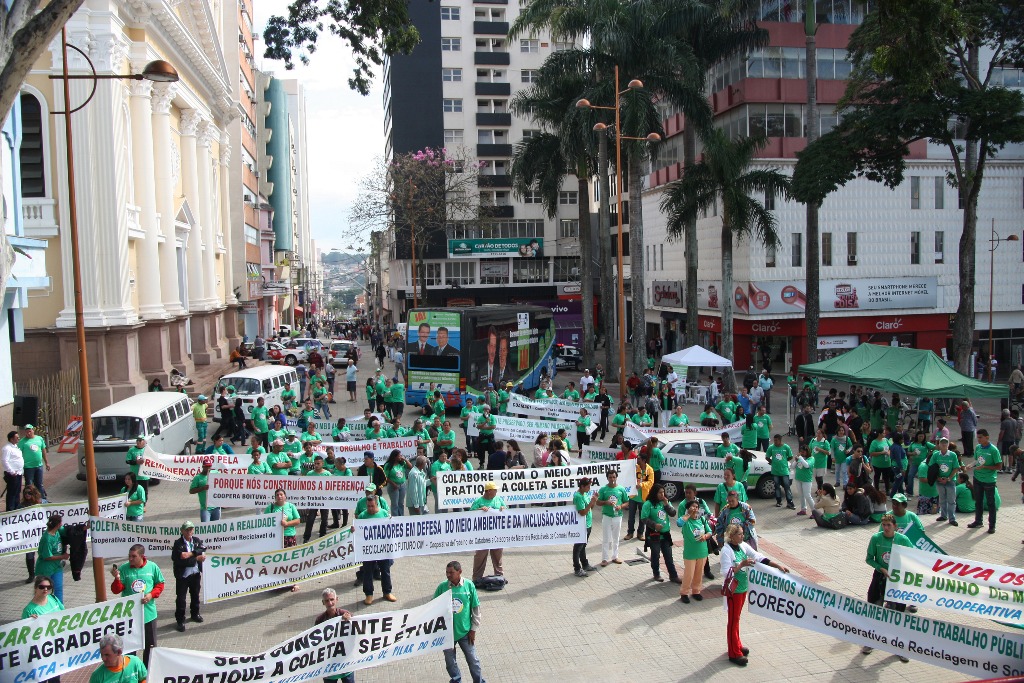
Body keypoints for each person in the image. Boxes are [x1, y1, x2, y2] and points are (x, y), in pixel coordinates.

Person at [720, 522, 790, 666]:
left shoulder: (742, 546)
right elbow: (726, 572)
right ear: (732, 536)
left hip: (743, 588)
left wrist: (777, 566)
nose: (742, 536)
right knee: (733, 621)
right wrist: (741, 565)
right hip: (734, 591)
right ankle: (734, 653)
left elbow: (758, 557)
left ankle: (737, 644)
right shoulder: (726, 551)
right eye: (739, 534)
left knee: (737, 619)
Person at [862, 514, 913, 661]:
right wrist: (880, 568)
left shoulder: (903, 540)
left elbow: (913, 556)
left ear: (895, 527)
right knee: (874, 610)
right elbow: (869, 558)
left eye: (889, 525)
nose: (885, 528)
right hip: (879, 578)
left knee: (898, 614)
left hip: (897, 581)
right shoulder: (876, 538)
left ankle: (899, 646)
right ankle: (870, 641)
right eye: (883, 525)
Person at [110, 544, 165, 667]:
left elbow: (160, 584)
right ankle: (131, 671)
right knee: (130, 647)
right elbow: (116, 590)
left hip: (148, 615)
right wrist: (117, 579)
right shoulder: (124, 569)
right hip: (130, 616)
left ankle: (147, 671)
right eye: (129, 556)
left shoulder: (152, 567)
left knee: (150, 647)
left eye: (133, 556)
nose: (130, 559)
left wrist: (151, 595)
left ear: (141, 556)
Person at [435, 561, 484, 683]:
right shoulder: (442, 587)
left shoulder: (469, 585)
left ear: (460, 572)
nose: (448, 575)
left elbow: (475, 609)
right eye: (447, 572)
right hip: (447, 634)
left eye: (451, 572)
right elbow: (433, 607)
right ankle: (456, 680)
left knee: (473, 661)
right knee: (450, 662)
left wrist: (473, 630)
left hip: (465, 633)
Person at [355, 495, 395, 605]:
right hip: (369, 550)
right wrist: (354, 529)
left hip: (382, 549)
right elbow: (358, 531)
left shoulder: (384, 514)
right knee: (368, 572)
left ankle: (387, 592)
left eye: (372, 506)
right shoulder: (363, 516)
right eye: (368, 506)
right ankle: (369, 594)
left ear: (376, 504)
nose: (370, 509)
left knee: (385, 571)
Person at [640, 484, 680, 584]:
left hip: (665, 534)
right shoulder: (648, 504)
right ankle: (656, 573)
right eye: (660, 493)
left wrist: (667, 504)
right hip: (654, 535)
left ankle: (673, 575)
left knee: (668, 556)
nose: (662, 494)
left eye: (663, 492)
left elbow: (673, 513)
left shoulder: (665, 502)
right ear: (655, 493)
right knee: (655, 555)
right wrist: (654, 525)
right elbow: (644, 518)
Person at [171, 521, 206, 632]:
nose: (189, 532)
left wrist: (189, 554)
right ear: (182, 531)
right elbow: (179, 560)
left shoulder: (196, 540)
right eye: (187, 530)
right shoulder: (178, 543)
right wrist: (196, 558)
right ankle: (180, 620)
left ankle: (195, 614)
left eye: (191, 529)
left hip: (195, 574)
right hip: (183, 576)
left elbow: (202, 549)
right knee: (181, 599)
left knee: (195, 595)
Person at [677, 499, 713, 603]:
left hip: (702, 551)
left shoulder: (701, 519)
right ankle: (684, 593)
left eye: (697, 507)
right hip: (690, 553)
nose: (695, 509)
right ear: (688, 508)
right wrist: (688, 514)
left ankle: (696, 591)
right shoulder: (685, 520)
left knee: (699, 573)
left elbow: (710, 531)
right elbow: (679, 523)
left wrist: (705, 536)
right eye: (693, 507)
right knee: (689, 574)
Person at [265, 488, 302, 590]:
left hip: (289, 536)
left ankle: (294, 582)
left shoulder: (290, 506)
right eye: (277, 495)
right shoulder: (270, 508)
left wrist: (287, 524)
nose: (279, 496)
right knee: (277, 560)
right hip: (276, 538)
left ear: (285, 496)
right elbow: (265, 522)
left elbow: (298, 520)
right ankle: (277, 581)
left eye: (281, 494)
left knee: (291, 559)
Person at [314, 589, 354, 683]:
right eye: (327, 600)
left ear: (337, 599)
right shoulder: (320, 620)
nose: (330, 603)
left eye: (332, 599)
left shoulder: (345, 614)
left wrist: (350, 621)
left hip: (345, 661)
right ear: (323, 602)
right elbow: (316, 641)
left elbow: (360, 630)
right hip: (329, 663)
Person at [470, 482, 507, 581]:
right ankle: (477, 578)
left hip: (497, 533)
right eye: (495, 490)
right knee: (480, 556)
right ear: (489, 491)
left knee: (497, 556)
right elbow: (470, 514)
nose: (496, 492)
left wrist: (503, 509)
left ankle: (499, 576)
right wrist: (479, 509)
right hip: (483, 534)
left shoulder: (498, 499)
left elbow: (506, 509)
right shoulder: (479, 501)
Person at [968, 429, 1001, 533]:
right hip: (977, 478)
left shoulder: (993, 450)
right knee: (978, 501)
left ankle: (992, 525)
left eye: (980, 437)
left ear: (987, 437)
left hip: (989, 480)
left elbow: (999, 466)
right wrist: (971, 464)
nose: (979, 440)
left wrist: (985, 467)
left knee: (991, 503)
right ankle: (978, 521)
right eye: (977, 437)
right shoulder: (978, 447)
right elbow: (977, 460)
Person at [35, 513, 68, 605]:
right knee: (43, 590)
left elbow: (70, 531)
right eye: (60, 523)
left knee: (58, 588)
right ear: (57, 525)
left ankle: (59, 609)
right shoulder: (47, 539)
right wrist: (63, 556)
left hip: (57, 567)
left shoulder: (58, 531)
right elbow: (47, 556)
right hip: (46, 568)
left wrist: (85, 527)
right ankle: (40, 607)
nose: (61, 525)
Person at [928, 437, 960, 526]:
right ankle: (943, 515)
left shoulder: (953, 455)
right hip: (939, 480)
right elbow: (931, 467)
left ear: (948, 445)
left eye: (946, 443)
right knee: (942, 499)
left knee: (951, 500)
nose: (944, 445)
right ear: (939, 445)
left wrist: (949, 478)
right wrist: (937, 477)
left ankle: (952, 518)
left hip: (950, 481)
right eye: (942, 443)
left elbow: (956, 468)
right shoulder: (936, 455)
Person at [624, 452, 654, 541]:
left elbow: (651, 482)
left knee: (643, 517)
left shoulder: (650, 470)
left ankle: (640, 533)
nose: (637, 460)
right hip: (633, 496)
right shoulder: (635, 467)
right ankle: (630, 533)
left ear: (644, 460)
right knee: (631, 516)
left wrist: (642, 485)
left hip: (643, 498)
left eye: (639, 459)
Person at [571, 477, 598, 577]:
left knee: (583, 546)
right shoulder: (578, 496)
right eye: (587, 487)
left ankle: (585, 564)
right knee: (578, 547)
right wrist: (591, 502)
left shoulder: (585, 494)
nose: (589, 488)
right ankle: (577, 568)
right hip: (581, 526)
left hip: (588, 524)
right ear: (581, 486)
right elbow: (582, 512)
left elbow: (591, 508)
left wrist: (593, 500)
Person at [19, 424, 49, 498]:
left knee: (39, 484)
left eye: (29, 431)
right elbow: (18, 454)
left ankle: (42, 499)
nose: (28, 433)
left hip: (39, 465)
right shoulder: (22, 441)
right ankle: (28, 500)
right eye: (26, 432)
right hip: (28, 467)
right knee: (29, 484)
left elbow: (43, 450)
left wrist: (46, 463)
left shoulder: (39, 439)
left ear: (33, 430)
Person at [766, 434, 794, 509]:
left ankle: (790, 501)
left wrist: (784, 460)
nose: (775, 442)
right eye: (774, 440)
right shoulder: (771, 447)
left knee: (786, 486)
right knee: (777, 486)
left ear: (780, 440)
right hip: (775, 471)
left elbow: (791, 456)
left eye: (776, 440)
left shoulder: (786, 447)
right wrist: (772, 462)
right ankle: (778, 501)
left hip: (784, 471)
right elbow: (767, 457)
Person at [189, 458, 221, 523]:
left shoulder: (216, 473)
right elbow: (191, 491)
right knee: (206, 528)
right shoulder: (198, 477)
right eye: (206, 466)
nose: (208, 468)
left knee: (216, 528)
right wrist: (202, 488)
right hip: (205, 508)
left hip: (216, 507)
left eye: (209, 466)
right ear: (203, 466)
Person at [383, 449, 412, 516]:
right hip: (393, 486)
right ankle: (395, 517)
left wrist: (405, 460)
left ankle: (401, 516)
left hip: (402, 485)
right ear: (394, 457)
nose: (400, 457)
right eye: (399, 456)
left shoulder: (402, 463)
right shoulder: (388, 465)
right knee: (395, 503)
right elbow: (385, 477)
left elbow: (410, 467)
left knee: (401, 503)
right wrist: (393, 484)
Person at [3, 430, 23, 511]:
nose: (18, 438)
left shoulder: (15, 447)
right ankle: (10, 510)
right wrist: (11, 471)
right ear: (11, 439)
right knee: (12, 493)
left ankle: (16, 507)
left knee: (17, 492)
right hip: (12, 474)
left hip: (18, 473)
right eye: (16, 437)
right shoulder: (7, 448)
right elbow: (5, 461)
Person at [793, 444, 815, 516]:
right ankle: (803, 509)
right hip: (798, 478)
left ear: (807, 452)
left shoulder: (811, 458)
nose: (802, 453)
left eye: (803, 452)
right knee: (801, 495)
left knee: (807, 495)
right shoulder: (800, 458)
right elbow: (792, 466)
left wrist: (800, 458)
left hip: (806, 480)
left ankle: (815, 511)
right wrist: (795, 461)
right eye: (801, 452)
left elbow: (807, 465)